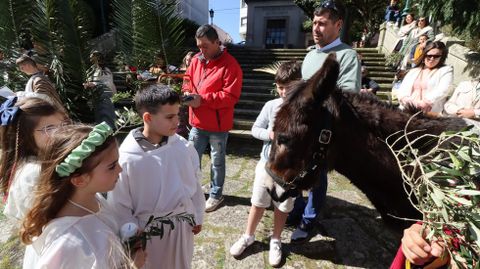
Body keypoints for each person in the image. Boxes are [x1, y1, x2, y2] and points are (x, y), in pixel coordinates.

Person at [20, 123, 146, 268]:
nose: (120, 169)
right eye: (112, 166)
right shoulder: (68, 243)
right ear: (79, 180)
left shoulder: (93, 199)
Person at [107, 84, 205, 268]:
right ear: (148, 118)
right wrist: (133, 243)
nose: (177, 121)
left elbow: (194, 183)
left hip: (182, 226)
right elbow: (119, 206)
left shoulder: (183, 147)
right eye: (170, 117)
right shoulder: (128, 158)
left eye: (178, 114)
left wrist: (197, 214)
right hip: (147, 234)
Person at [288, 0, 361, 243]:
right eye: (314, 23)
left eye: (322, 23)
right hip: (302, 128)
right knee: (297, 172)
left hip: (325, 131)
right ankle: (296, 209)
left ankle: (308, 220)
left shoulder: (347, 56)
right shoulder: (309, 56)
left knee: (317, 177)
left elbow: (349, 96)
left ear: (338, 25)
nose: (316, 28)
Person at [229, 61, 301, 267]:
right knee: (258, 202)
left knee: (284, 206)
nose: (284, 91)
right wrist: (269, 134)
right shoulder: (270, 106)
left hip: (291, 169)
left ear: (300, 84)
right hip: (267, 164)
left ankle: (276, 239)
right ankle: (248, 235)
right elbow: (255, 128)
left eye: (289, 87)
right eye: (280, 87)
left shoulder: (305, 107)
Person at [183, 24, 243, 212]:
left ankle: (216, 194)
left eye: (205, 46)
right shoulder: (196, 60)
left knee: (217, 161)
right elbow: (187, 80)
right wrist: (186, 93)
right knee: (192, 160)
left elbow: (231, 96)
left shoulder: (231, 64)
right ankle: (192, 191)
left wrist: (202, 100)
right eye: (199, 46)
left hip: (218, 125)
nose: (201, 51)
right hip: (196, 122)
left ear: (217, 43)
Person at [0, 97, 68, 224]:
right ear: (24, 139)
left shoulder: (47, 160)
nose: (63, 133)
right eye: (50, 128)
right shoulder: (35, 173)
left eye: (64, 124)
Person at [397, 41, 453, 113]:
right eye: (429, 55)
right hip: (407, 109)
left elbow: (444, 89)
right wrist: (406, 100)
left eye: (436, 56)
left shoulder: (446, 70)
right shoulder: (413, 71)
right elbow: (402, 90)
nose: (432, 58)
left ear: (442, 58)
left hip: (431, 113)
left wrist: (426, 102)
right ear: (424, 55)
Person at [83, 50, 117, 129]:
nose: (91, 59)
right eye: (91, 57)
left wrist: (94, 84)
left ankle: (109, 128)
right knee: (100, 112)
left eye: (93, 57)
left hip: (105, 93)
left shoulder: (105, 70)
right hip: (96, 94)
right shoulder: (92, 70)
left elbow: (108, 82)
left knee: (106, 112)